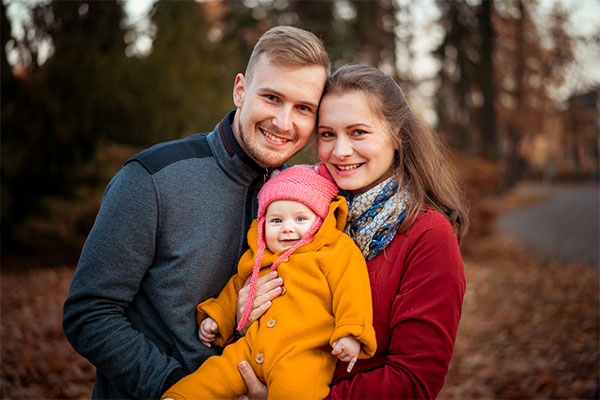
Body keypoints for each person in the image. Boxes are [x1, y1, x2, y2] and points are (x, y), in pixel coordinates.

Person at [62, 26, 330, 399]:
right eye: (271, 97)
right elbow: (89, 314)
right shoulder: (153, 178)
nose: (284, 123)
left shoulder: (307, 201)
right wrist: (179, 388)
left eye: (303, 108)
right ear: (240, 90)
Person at [236, 64, 469, 399]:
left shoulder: (428, 235)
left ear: (398, 135)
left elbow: (415, 381)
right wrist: (243, 307)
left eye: (358, 132)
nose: (340, 151)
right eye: (328, 134)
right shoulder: (304, 215)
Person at [162, 164, 377, 400]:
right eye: (276, 221)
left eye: (301, 218)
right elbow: (236, 288)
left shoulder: (336, 251)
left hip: (301, 354)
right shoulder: (258, 257)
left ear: (321, 221)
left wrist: (351, 333)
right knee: (212, 375)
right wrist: (217, 317)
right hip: (250, 347)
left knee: (295, 391)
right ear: (262, 224)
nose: (287, 228)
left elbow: (352, 292)